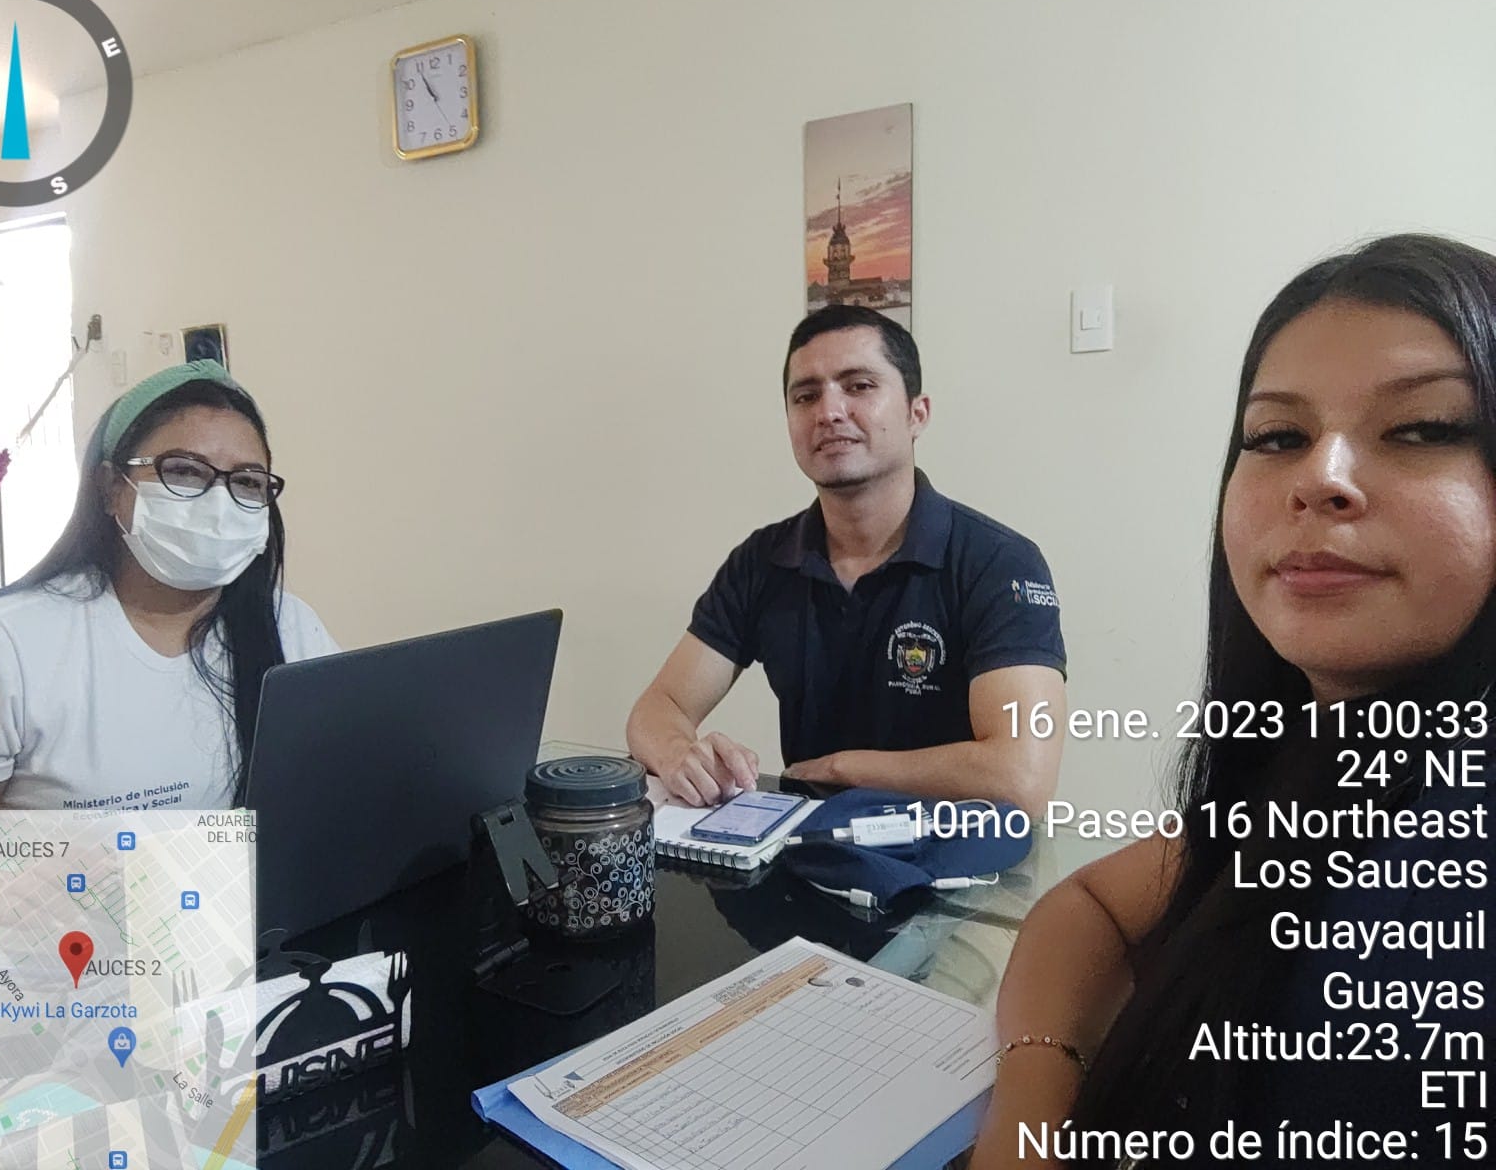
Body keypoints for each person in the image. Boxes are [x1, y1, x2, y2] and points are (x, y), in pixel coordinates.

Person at [971, 234, 1496, 1167]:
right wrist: (1035, 1094)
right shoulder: (1328, 751)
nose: (1319, 477)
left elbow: (1015, 775)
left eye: (1422, 428)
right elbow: (1090, 902)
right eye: (1277, 437)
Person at [628, 305, 1068, 809]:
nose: (829, 412)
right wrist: (680, 754)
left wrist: (842, 769)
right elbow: (658, 707)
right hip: (807, 844)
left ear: (917, 414)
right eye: (806, 396)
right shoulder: (763, 560)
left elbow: (1022, 777)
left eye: (859, 386)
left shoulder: (1000, 563)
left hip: (957, 850)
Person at [0, 360, 337, 810]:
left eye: (246, 481)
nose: (219, 504)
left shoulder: (291, 627)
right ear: (110, 487)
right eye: (184, 471)